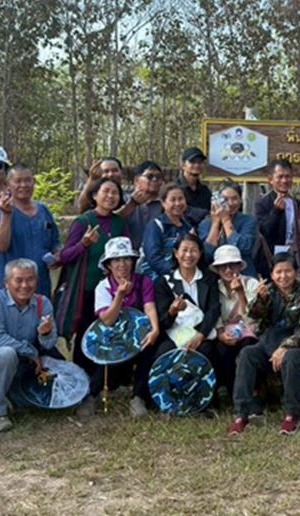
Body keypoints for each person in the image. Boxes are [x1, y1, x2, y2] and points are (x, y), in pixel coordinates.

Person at [228, 253, 300, 436]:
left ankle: (291, 414)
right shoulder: (267, 290)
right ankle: (241, 414)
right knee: (247, 354)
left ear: (296, 272)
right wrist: (260, 299)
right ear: (272, 274)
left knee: (292, 358)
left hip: (298, 346)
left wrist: (285, 347)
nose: (283, 276)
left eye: (288, 271)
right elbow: (252, 319)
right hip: (268, 343)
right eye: (278, 272)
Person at [0, 259, 60, 432]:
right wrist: (30, 351)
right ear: (7, 283)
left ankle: (10, 395)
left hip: (24, 367)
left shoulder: (43, 303)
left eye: (30, 279)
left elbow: (50, 343)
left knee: (33, 404)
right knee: (7, 353)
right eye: (18, 280)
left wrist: (45, 333)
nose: (25, 285)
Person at [149, 233, 220, 410]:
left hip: (200, 331)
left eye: (193, 251)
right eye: (184, 250)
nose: (189, 255)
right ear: (175, 253)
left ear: (200, 253)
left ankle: (203, 401)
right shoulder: (164, 282)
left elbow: (213, 310)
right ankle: (166, 399)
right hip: (173, 333)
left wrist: (200, 335)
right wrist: (172, 311)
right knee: (163, 353)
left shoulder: (209, 279)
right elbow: (163, 321)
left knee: (206, 352)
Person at [92, 237, 159, 417]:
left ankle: (139, 397)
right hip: (114, 334)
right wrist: (119, 296)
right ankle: (91, 395)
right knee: (109, 353)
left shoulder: (144, 281)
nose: (122, 264)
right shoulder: (103, 287)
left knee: (149, 349)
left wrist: (155, 330)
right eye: (116, 260)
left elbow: (149, 307)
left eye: (126, 259)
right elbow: (107, 320)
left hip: (139, 332)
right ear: (108, 265)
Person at [56, 178, 126, 343]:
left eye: (115, 192)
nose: (110, 196)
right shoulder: (83, 221)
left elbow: (126, 254)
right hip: (87, 290)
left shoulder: (120, 222)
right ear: (94, 195)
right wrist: (84, 244)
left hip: (113, 290)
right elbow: (65, 256)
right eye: (106, 191)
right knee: (87, 334)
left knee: (110, 334)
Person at [0, 165, 60, 298]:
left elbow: (55, 243)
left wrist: (57, 258)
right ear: (7, 184)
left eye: (28, 180)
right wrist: (6, 215)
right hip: (11, 289)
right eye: (18, 181)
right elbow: (1, 246)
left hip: (41, 286)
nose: (24, 185)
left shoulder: (43, 211)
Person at [209, 245, 261, 404]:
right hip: (226, 331)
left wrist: (240, 292)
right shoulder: (215, 288)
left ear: (239, 266)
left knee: (248, 347)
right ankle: (231, 391)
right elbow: (214, 314)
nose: (228, 270)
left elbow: (252, 318)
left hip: (249, 331)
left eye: (232, 265)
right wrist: (220, 334)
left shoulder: (251, 284)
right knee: (221, 349)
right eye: (223, 266)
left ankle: (251, 392)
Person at [198, 183, 259, 278]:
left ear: (240, 200)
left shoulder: (248, 221)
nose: (230, 203)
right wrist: (215, 223)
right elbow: (207, 253)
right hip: (215, 276)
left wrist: (226, 221)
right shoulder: (205, 224)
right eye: (225, 199)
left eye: (234, 199)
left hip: (243, 274)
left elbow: (244, 247)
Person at [140, 184, 195, 281]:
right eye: (173, 200)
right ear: (163, 203)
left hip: (180, 279)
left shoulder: (188, 227)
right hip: (156, 281)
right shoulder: (155, 226)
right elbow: (154, 258)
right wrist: (175, 272)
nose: (177, 203)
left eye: (181, 199)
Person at [254, 159, 300, 258]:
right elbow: (264, 231)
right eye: (280, 177)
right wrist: (276, 211)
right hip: (272, 257)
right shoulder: (262, 204)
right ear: (270, 180)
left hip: (294, 255)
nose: (284, 181)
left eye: (287, 176)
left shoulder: (296, 203)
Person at [121, 161, 165, 251]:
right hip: (125, 256)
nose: (155, 180)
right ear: (136, 180)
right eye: (150, 176)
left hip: (154, 256)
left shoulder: (165, 204)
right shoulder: (123, 200)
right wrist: (131, 204)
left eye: (158, 177)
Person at [177, 147, 212, 225]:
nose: (197, 165)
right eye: (192, 162)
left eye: (200, 162)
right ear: (183, 165)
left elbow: (212, 212)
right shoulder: (175, 189)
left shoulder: (205, 191)